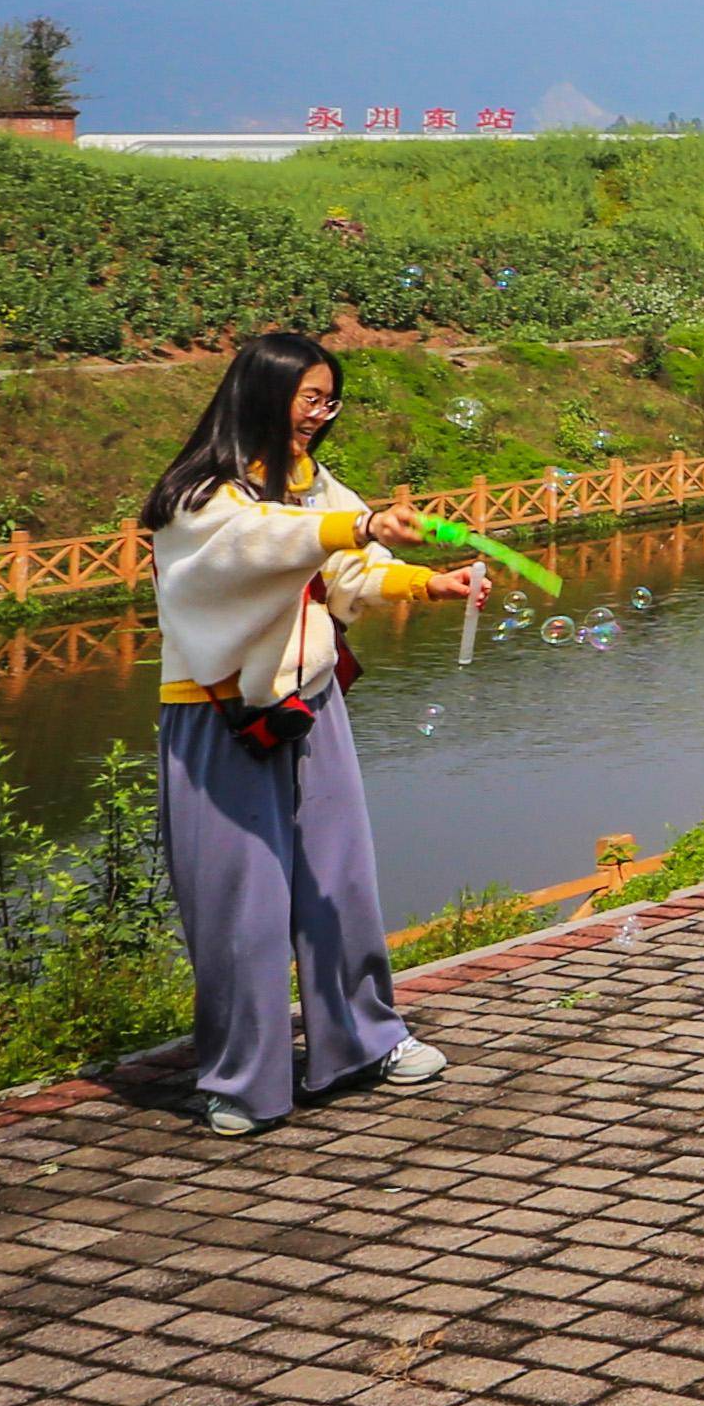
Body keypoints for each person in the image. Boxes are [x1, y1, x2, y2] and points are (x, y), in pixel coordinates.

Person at [138, 329, 479, 1139]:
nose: (320, 416)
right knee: (241, 907)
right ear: (262, 393)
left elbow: (349, 569)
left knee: (340, 883)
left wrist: (432, 582)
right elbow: (251, 549)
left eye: (330, 401)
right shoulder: (197, 494)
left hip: (311, 704)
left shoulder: (312, 483)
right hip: (216, 713)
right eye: (308, 399)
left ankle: (364, 1041)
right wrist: (350, 530)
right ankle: (242, 1079)